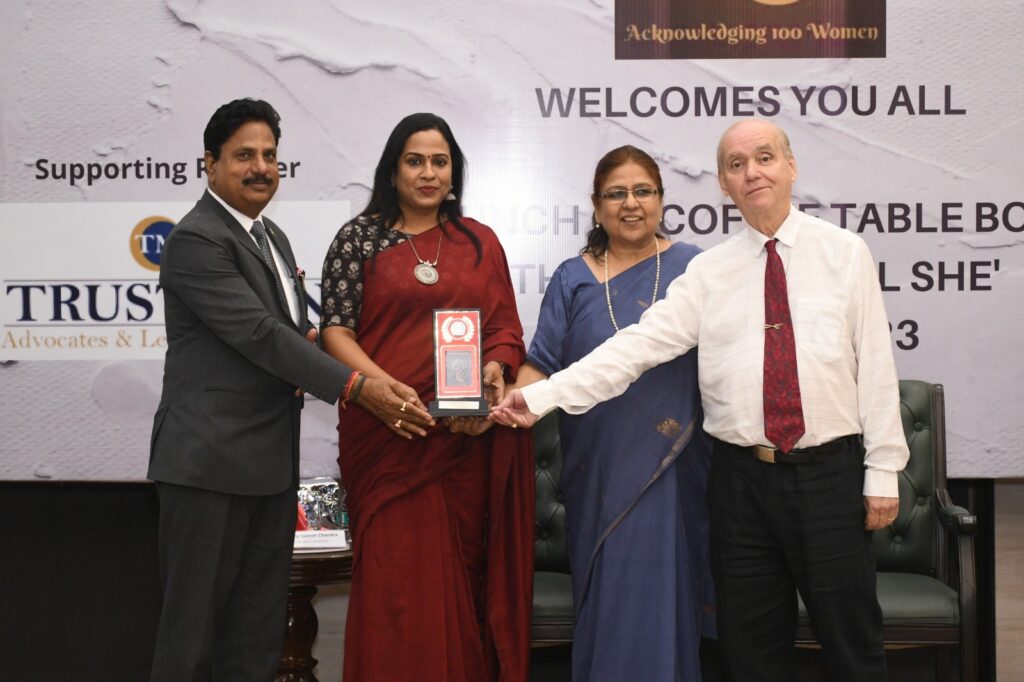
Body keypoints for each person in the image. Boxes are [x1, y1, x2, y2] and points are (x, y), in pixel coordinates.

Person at [493, 119, 910, 682]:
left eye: (765, 158)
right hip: (739, 486)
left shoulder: (845, 253)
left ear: (791, 167)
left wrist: (884, 469)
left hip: (828, 479)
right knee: (750, 654)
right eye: (737, 165)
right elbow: (635, 348)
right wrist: (540, 396)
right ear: (722, 182)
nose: (752, 173)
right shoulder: (709, 271)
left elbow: (876, 366)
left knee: (852, 646)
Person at [147, 98, 429, 681]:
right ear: (210, 163)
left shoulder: (269, 235)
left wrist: (333, 354)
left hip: (270, 466)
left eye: (269, 155)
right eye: (243, 155)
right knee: (191, 641)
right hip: (208, 465)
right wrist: (357, 386)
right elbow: (259, 335)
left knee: (256, 639)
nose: (260, 167)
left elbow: (290, 332)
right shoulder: (197, 239)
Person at [320, 112, 534, 682]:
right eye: (415, 161)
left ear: (454, 172)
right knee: (394, 587)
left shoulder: (479, 242)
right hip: (385, 434)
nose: (428, 172)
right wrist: (378, 390)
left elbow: (505, 329)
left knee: (460, 584)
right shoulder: (358, 238)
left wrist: (494, 368)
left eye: (440, 161)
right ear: (393, 171)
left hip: (460, 439)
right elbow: (335, 331)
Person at [513, 145, 714, 681]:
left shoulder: (695, 268)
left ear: (661, 200)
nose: (631, 203)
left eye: (643, 191)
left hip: (674, 460)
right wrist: (507, 403)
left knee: (667, 591)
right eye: (616, 193)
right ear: (597, 206)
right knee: (609, 592)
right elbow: (540, 363)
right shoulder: (571, 277)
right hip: (597, 465)